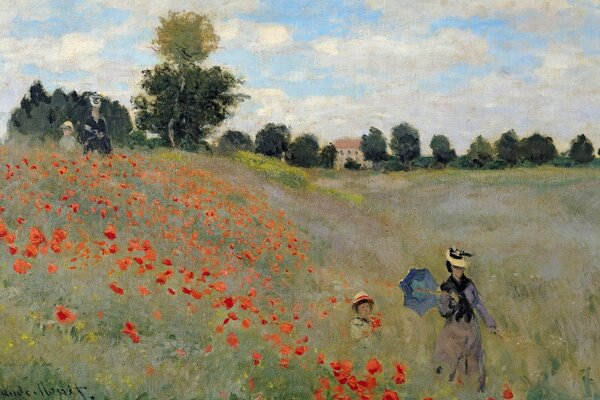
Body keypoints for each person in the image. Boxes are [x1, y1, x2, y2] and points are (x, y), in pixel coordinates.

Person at [434, 247, 497, 392]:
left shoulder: (469, 285)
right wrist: (452, 303)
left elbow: (478, 304)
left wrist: (490, 323)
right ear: (450, 267)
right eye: (456, 267)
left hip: (471, 329)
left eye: (461, 268)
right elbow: (443, 311)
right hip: (454, 331)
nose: (459, 271)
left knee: (474, 363)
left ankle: (475, 392)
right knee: (452, 363)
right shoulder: (446, 287)